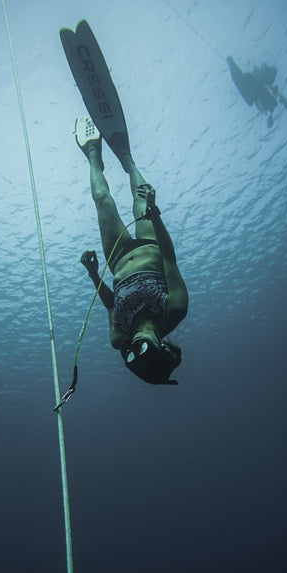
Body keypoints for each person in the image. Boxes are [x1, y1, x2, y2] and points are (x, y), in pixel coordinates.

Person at [75, 116, 188, 385]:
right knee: (141, 197)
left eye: (131, 355)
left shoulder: (119, 336)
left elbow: (112, 303)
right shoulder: (175, 309)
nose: (135, 346)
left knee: (102, 201)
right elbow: (170, 259)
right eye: (144, 351)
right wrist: (155, 214)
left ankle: (92, 152)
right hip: (152, 243)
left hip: (118, 257)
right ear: (161, 347)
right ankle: (127, 159)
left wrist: (93, 274)